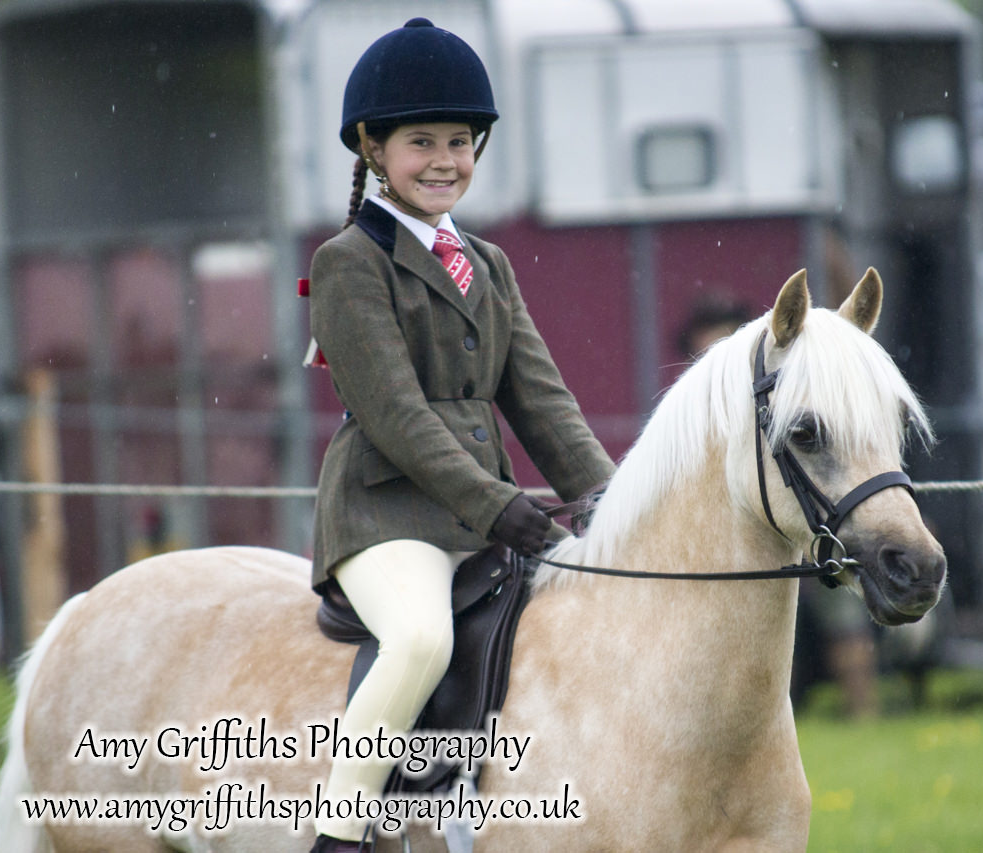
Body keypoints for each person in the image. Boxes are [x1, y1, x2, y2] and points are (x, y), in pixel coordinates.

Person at [303, 19, 615, 852]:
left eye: (458, 141)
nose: (445, 159)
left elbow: (539, 394)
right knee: (419, 636)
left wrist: (607, 493)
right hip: (385, 516)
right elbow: (397, 416)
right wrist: (498, 503)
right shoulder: (348, 262)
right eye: (420, 142)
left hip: (479, 512)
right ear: (371, 147)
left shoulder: (487, 261)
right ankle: (341, 832)